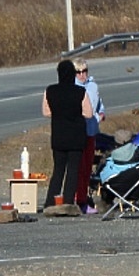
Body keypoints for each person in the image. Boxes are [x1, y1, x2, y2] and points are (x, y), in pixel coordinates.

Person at [42, 59, 93, 210]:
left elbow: (46, 112)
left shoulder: (50, 90)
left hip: (58, 135)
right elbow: (89, 113)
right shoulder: (80, 92)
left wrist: (59, 113)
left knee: (58, 170)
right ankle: (68, 202)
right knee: (73, 171)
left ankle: (50, 201)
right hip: (76, 136)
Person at [73, 57, 105, 214]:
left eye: (84, 71)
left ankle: (83, 199)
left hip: (91, 131)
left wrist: (100, 115)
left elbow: (100, 105)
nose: (81, 75)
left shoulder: (93, 86)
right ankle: (77, 199)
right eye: (78, 72)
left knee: (87, 168)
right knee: (78, 168)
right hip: (78, 133)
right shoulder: (73, 87)